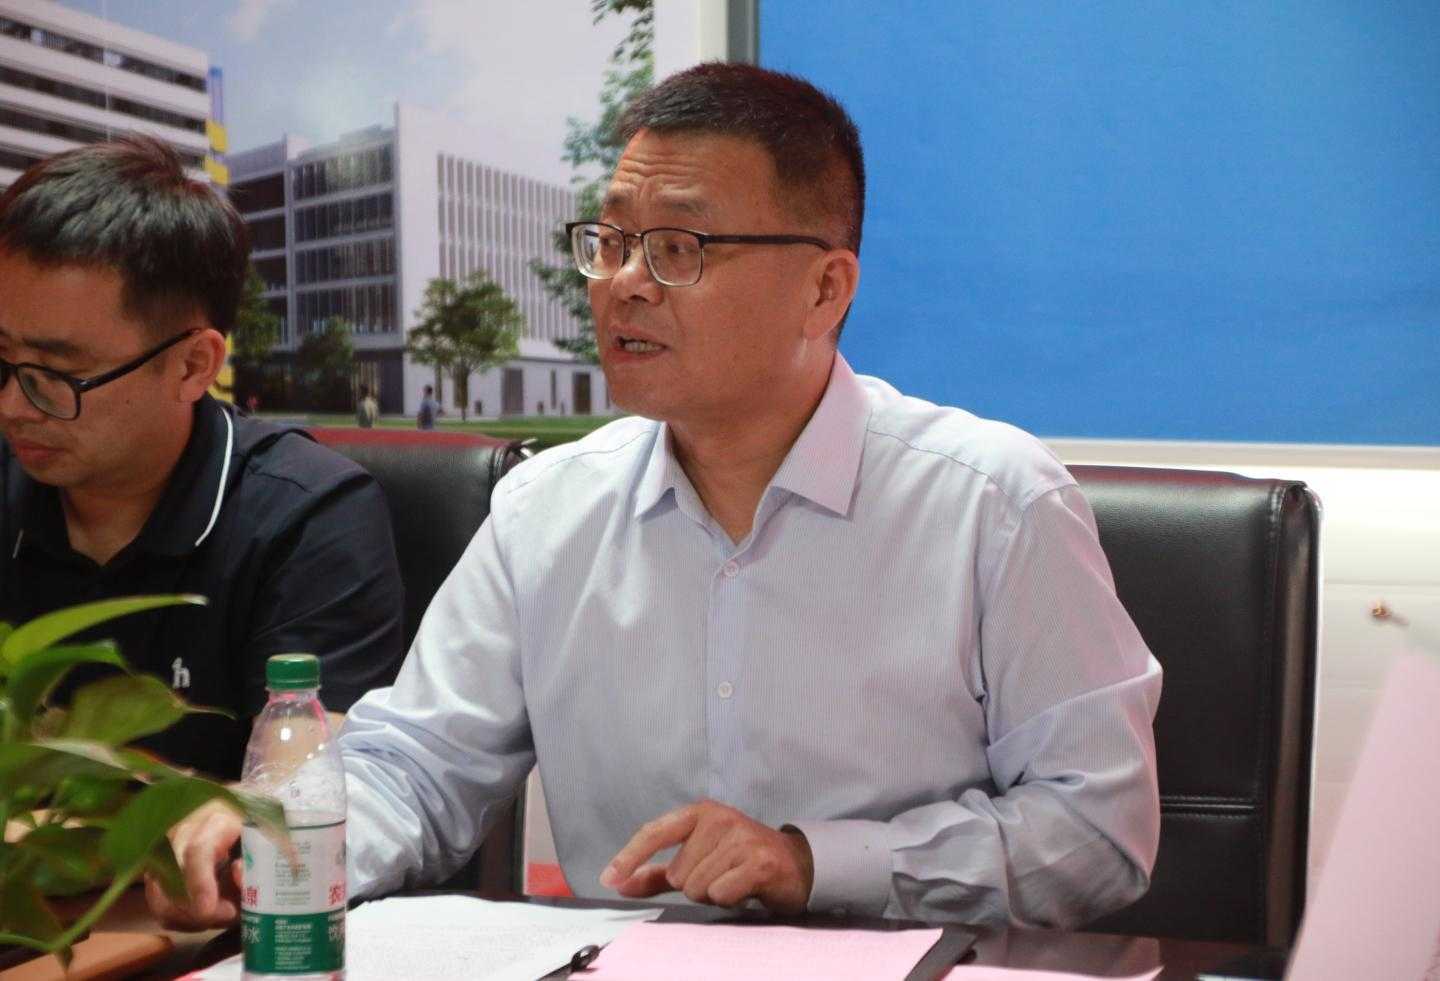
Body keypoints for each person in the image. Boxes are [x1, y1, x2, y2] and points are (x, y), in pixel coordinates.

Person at [153, 64, 1160, 930]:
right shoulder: (545, 511)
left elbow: (1096, 830)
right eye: (609, 242)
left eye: (678, 248)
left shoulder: (994, 503)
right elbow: (418, 765)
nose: (621, 284)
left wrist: (813, 860)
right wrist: (284, 832)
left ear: (824, 288)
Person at [0, 136, 406, 780]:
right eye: (3, 359)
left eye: (56, 374)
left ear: (193, 365)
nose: (13, 407)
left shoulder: (308, 518)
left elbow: (300, 800)